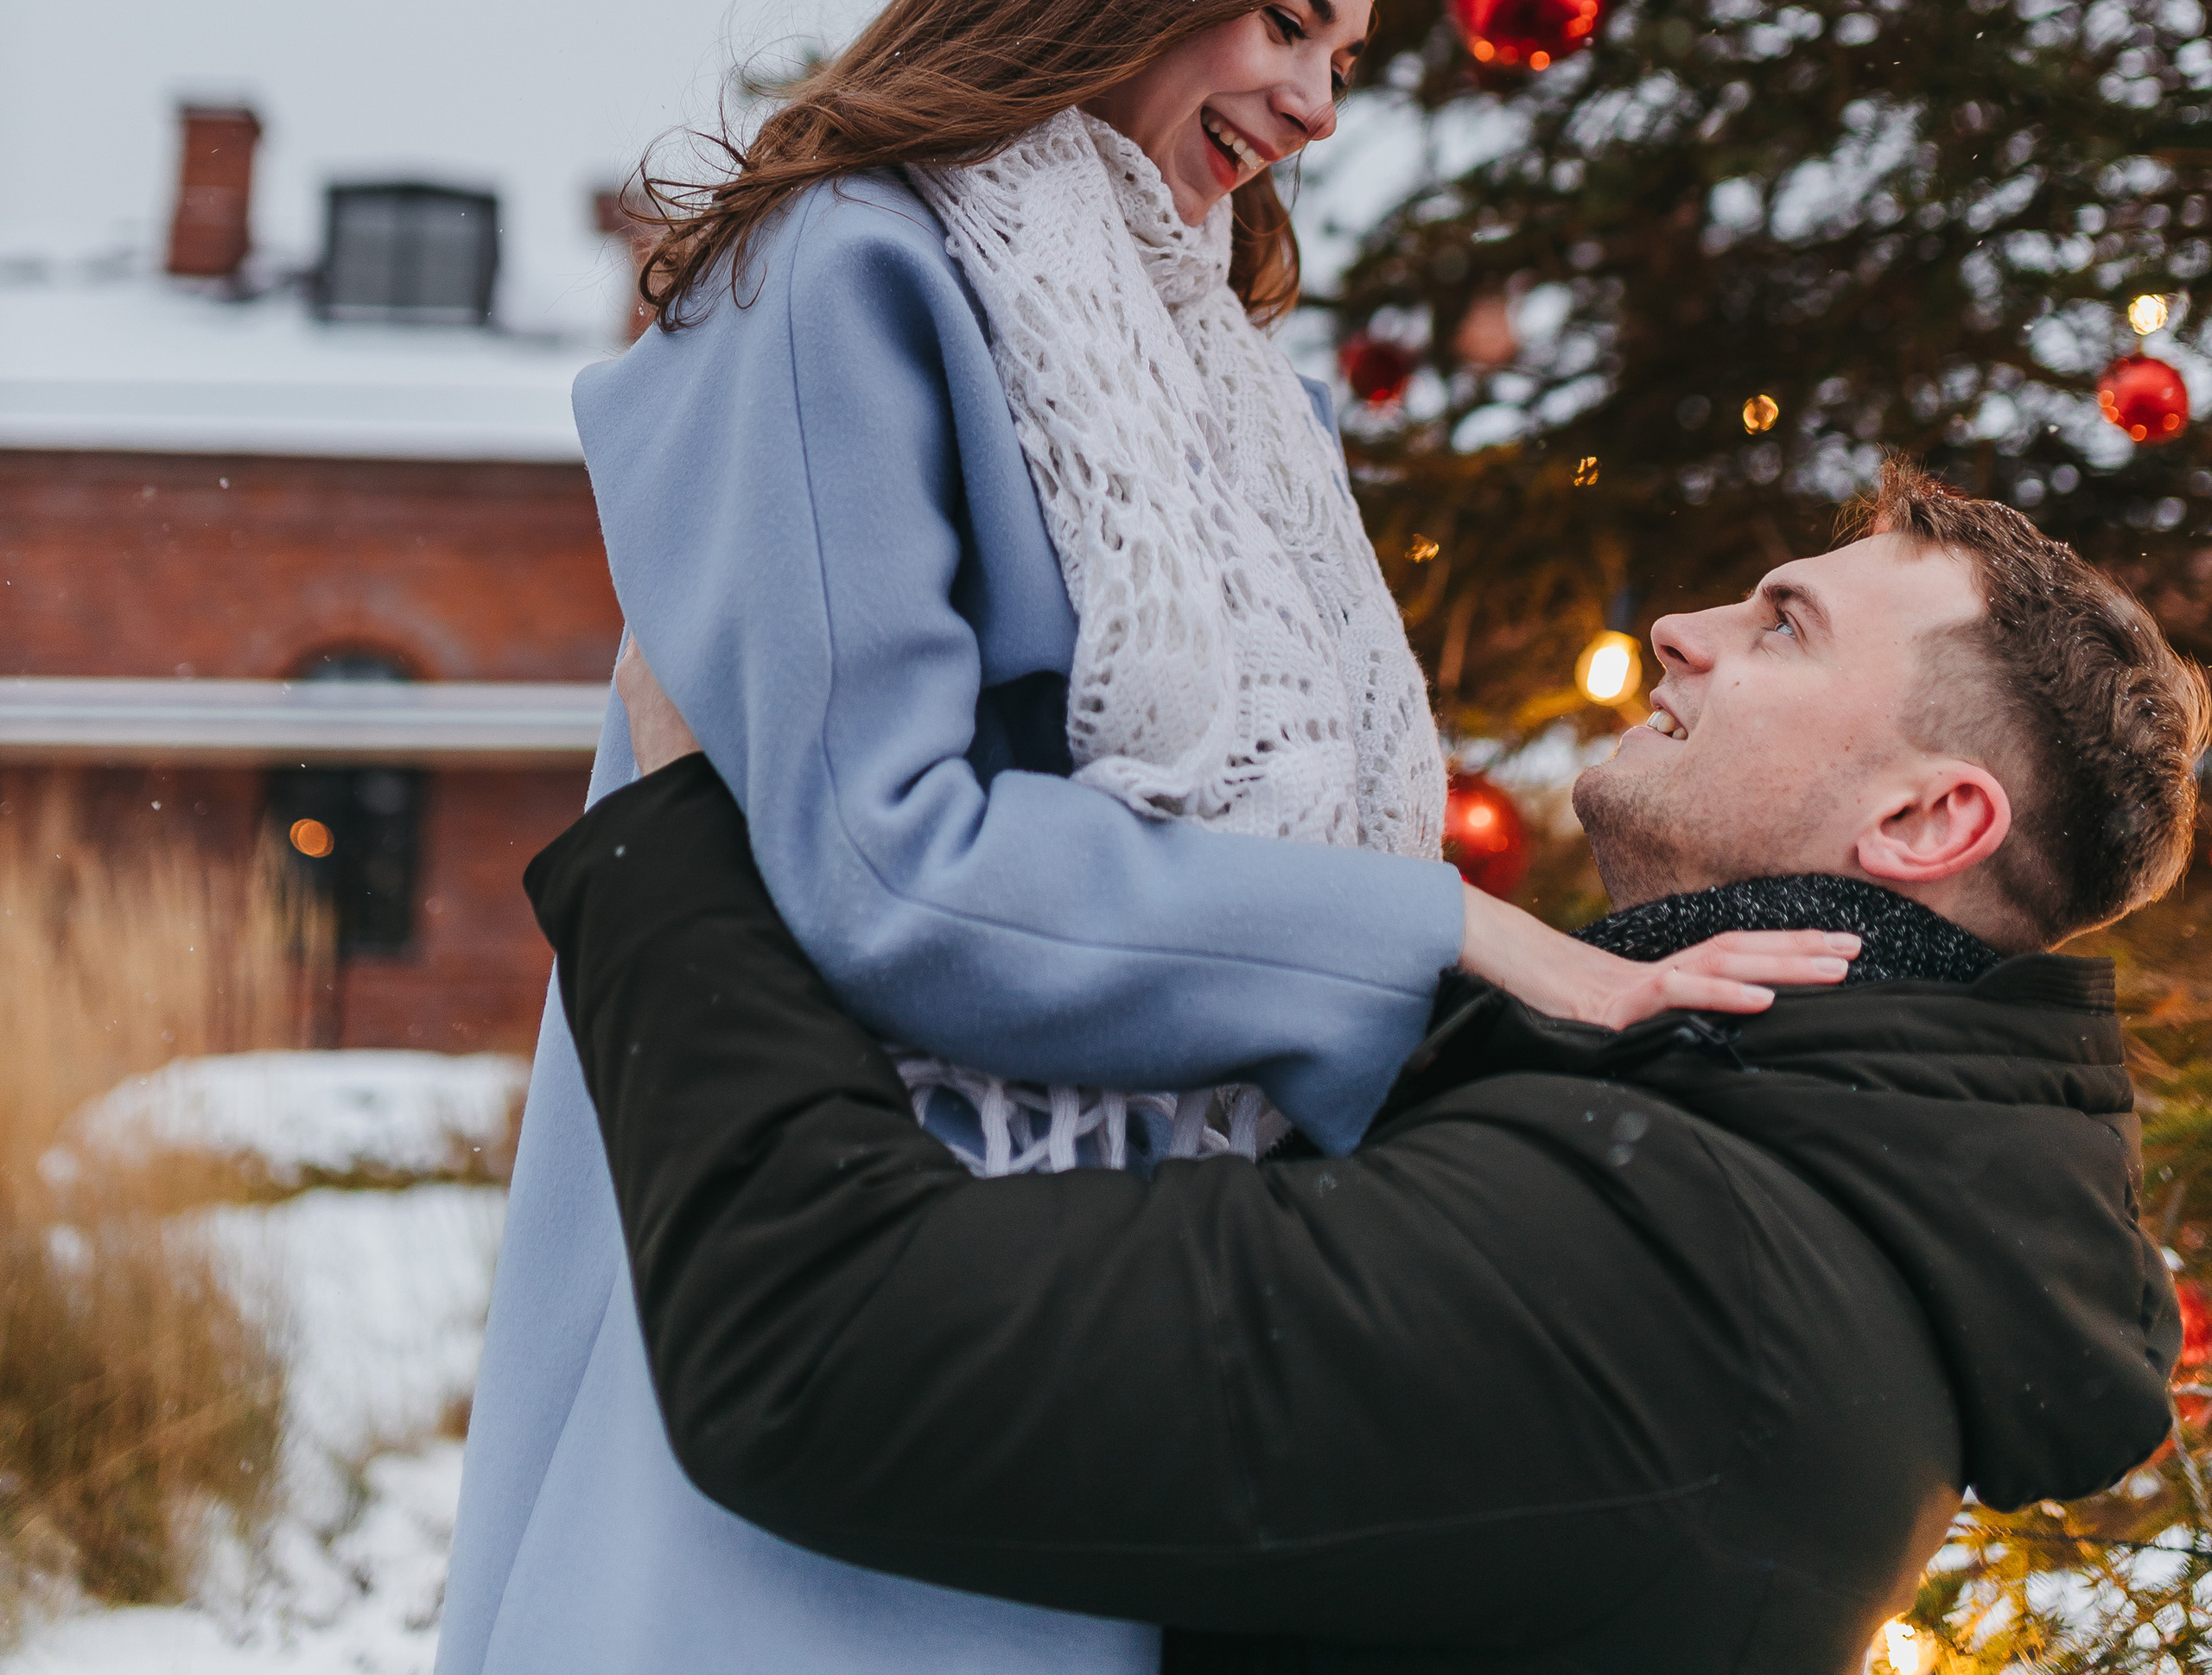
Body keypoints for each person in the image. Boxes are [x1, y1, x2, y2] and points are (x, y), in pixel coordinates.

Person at [439, 0, 1845, 1675]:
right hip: (873, 1311)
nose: (1313, 102)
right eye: (1286, 19)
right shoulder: (846, 270)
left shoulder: (1234, 390)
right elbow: (885, 868)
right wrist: (1435, 930)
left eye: (1343, 56)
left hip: (1149, 1359)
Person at [535, 464, 2208, 1675]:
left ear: (1921, 821)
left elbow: (831, 1346)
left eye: (1779, 629)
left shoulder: (1677, 1267)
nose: (1682, 630)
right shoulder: (1775, 1189)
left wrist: (667, 833)